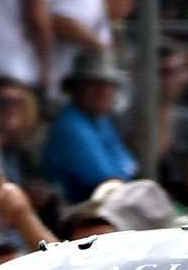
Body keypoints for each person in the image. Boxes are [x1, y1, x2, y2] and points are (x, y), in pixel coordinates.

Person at [41, 51, 136, 203]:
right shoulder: (70, 125)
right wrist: (123, 175)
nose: (104, 92)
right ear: (76, 88)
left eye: (109, 85)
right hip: (71, 216)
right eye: (95, 84)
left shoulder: (99, 119)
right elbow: (109, 183)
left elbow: (130, 167)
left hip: (105, 209)